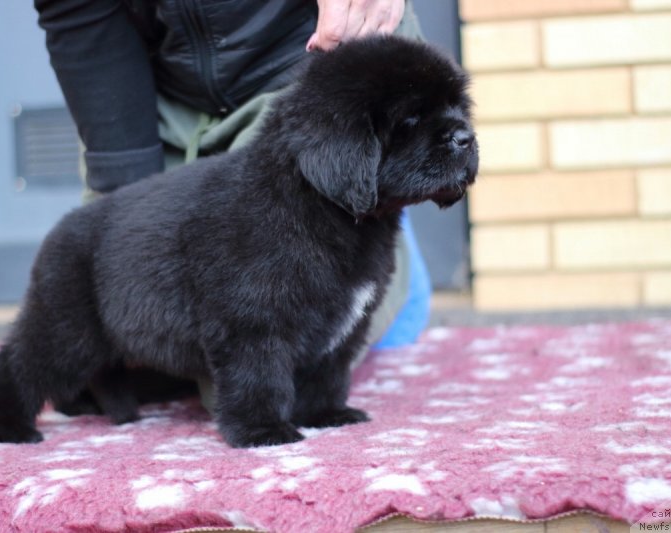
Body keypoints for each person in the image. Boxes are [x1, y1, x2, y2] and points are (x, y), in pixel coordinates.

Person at [33, 0, 432, 388]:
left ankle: (372, 222)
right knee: (136, 350)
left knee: (291, 373)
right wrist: (125, 197)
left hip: (302, 63)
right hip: (159, 90)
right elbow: (76, 11)